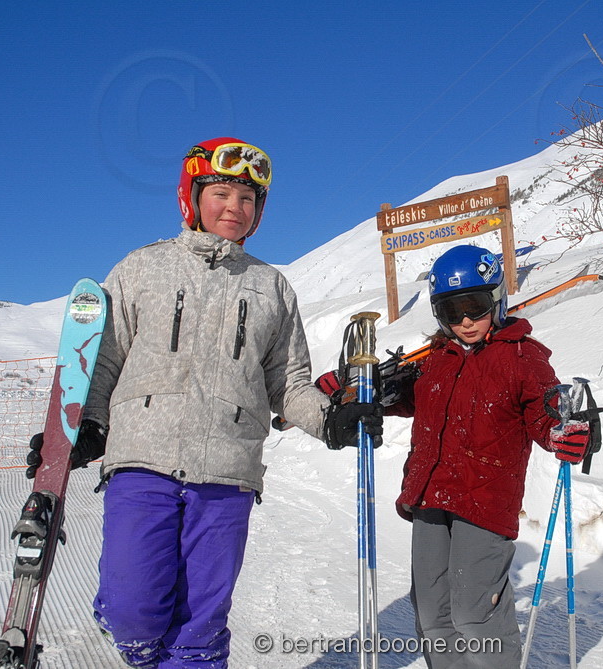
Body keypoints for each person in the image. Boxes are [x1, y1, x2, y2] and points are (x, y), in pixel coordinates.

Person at [26, 137, 381, 668]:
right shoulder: (141, 269)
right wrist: (86, 427)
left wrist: (330, 420)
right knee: (132, 610)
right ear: (190, 197)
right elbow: (104, 359)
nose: (235, 209)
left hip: (228, 472)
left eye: (248, 199)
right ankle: (137, 641)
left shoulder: (272, 287)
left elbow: (287, 381)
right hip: (142, 462)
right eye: (221, 193)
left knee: (200, 623)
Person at [385, 244, 592, 669]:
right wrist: (360, 390)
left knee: (474, 616)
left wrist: (563, 431)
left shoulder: (521, 357)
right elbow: (403, 396)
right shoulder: (433, 360)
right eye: (451, 311)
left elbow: (544, 412)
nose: (464, 321)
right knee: (432, 615)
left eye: (475, 307)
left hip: (483, 502)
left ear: (496, 300)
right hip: (429, 496)